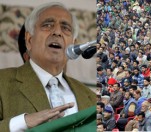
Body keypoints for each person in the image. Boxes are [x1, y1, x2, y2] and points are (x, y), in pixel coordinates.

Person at [0, 2, 96, 131]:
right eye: (47, 25)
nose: (57, 32)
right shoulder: (3, 82)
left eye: (65, 28)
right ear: (29, 40)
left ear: (74, 44)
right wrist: (24, 122)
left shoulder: (90, 97)